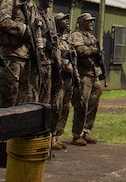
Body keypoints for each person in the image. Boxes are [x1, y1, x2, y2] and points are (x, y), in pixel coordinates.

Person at [0, 0, 43, 107]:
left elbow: (36, 27)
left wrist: (39, 48)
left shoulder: (32, 6)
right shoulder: (10, 1)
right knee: (9, 94)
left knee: (24, 94)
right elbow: (3, 22)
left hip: (28, 55)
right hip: (12, 55)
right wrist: (24, 29)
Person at [69, 12, 103, 146]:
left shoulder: (91, 37)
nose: (92, 23)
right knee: (81, 104)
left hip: (94, 74)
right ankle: (77, 134)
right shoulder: (76, 35)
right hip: (83, 75)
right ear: (81, 22)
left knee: (93, 104)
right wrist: (94, 51)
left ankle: (85, 131)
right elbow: (80, 50)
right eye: (89, 21)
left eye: (92, 21)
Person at [50, 12, 74, 150]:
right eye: (62, 19)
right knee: (56, 107)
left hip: (68, 78)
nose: (66, 21)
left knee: (65, 107)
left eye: (67, 19)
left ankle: (57, 135)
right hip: (58, 78)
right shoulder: (54, 38)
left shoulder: (67, 39)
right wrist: (65, 64)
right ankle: (50, 136)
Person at [35, 0, 59, 106]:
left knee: (46, 96)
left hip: (49, 61)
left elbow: (54, 38)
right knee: (34, 96)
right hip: (36, 61)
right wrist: (45, 42)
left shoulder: (50, 18)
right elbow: (32, 34)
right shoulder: (34, 13)